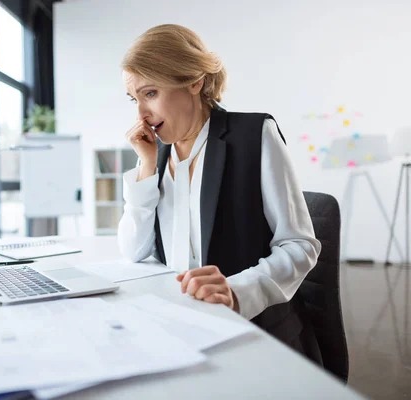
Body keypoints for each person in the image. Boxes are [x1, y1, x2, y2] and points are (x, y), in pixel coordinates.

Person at [118, 24, 322, 361]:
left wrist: (237, 291)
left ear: (194, 81)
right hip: (180, 330)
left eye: (150, 93)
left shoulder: (253, 135)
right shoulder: (158, 152)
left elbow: (300, 246)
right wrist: (146, 168)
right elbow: (133, 251)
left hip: (253, 335)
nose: (140, 114)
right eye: (134, 98)